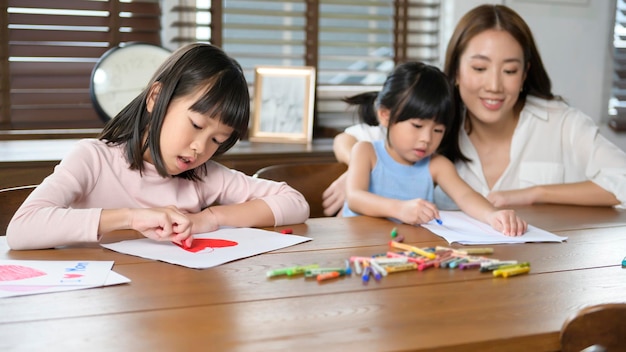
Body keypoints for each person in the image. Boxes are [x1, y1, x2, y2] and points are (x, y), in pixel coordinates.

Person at [325, 4, 626, 215]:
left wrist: (535, 194)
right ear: (455, 71)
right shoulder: (437, 120)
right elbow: (350, 137)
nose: (494, 85)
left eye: (509, 71)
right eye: (480, 68)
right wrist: (365, 169)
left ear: (524, 75)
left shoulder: (561, 123)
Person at [7, 43, 309, 250]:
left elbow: (295, 203)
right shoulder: (93, 160)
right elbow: (21, 229)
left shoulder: (203, 175)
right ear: (155, 98)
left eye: (217, 140)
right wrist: (132, 218)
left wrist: (208, 218)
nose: (199, 148)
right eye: (196, 125)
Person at [341, 61, 527, 236]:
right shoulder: (366, 152)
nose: (427, 139)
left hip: (406, 250)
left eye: (438, 130)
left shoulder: (436, 165)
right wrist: (399, 209)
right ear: (385, 116)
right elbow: (355, 198)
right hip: (359, 243)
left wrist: (492, 215)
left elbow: (465, 195)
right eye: (417, 126)